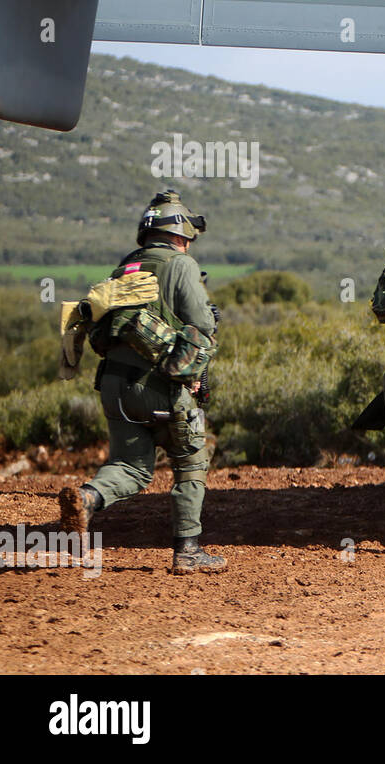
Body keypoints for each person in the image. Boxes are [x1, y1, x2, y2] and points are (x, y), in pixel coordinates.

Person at [59, 189, 224, 574]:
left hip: (114, 387)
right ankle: (188, 551)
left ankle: (88, 497)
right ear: (180, 233)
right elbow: (203, 325)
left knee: (130, 466)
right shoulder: (180, 266)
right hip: (157, 387)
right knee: (190, 460)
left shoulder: (125, 268)